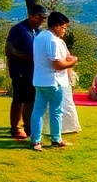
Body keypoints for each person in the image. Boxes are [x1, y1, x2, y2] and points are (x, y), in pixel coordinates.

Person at [29, 11, 77, 151]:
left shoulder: (39, 36)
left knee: (37, 111)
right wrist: (71, 63)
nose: (64, 31)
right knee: (56, 111)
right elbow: (56, 64)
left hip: (39, 80)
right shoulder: (53, 40)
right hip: (53, 81)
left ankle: (36, 140)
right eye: (64, 28)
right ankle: (56, 139)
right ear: (57, 26)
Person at [5, 5, 48, 140]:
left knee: (31, 99)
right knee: (19, 99)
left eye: (44, 18)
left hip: (33, 72)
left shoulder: (38, 31)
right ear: (31, 14)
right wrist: (27, 58)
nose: (41, 20)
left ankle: (28, 126)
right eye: (39, 17)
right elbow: (9, 50)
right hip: (20, 71)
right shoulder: (19, 29)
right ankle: (15, 128)